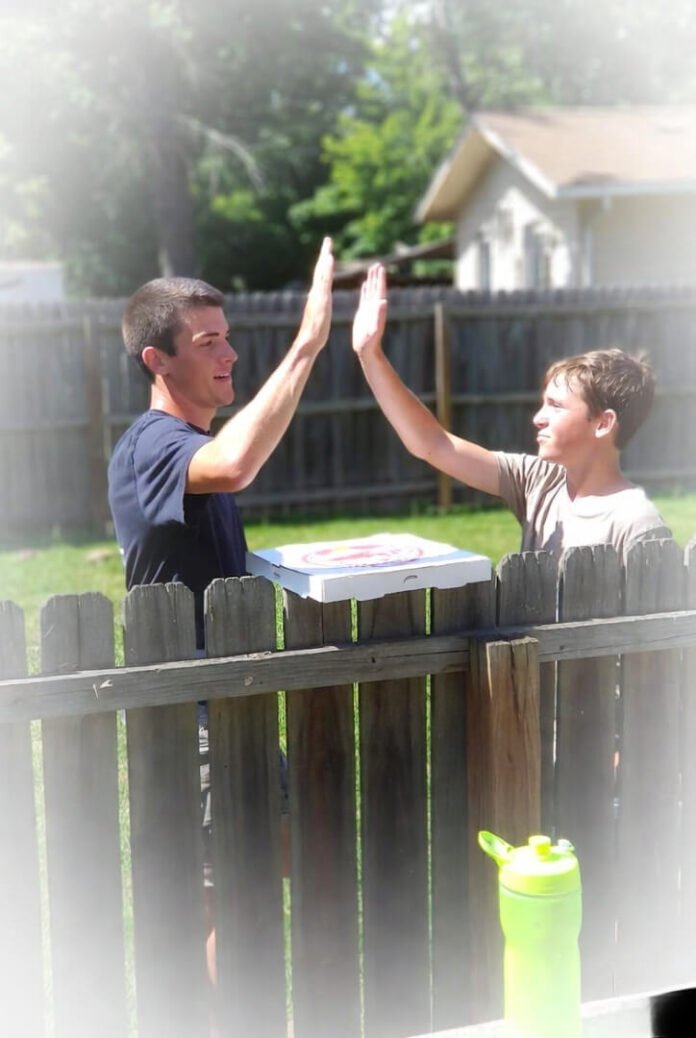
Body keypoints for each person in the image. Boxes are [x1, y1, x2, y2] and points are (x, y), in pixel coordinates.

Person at [107, 236, 334, 990]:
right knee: (225, 898)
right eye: (209, 342)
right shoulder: (155, 446)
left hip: (229, 701)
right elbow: (236, 462)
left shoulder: (189, 444)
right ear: (158, 361)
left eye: (229, 336)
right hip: (194, 713)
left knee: (275, 868)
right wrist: (305, 346)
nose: (229, 353)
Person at [351, 263, 671, 555]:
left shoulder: (637, 525)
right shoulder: (537, 482)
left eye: (556, 406)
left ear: (603, 423)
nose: (537, 418)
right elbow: (432, 444)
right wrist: (371, 356)